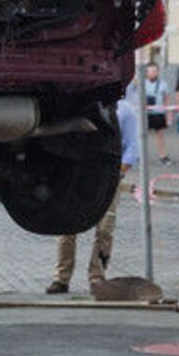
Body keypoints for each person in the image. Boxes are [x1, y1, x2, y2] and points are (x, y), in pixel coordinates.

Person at [47, 93, 138, 294]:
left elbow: (133, 148)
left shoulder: (125, 110)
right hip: (76, 176)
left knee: (105, 229)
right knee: (66, 227)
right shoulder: (79, 107)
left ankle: (97, 276)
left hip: (108, 177)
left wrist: (117, 173)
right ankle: (61, 277)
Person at [143, 62, 170, 164]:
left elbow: (167, 99)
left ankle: (163, 156)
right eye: (150, 71)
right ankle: (139, 155)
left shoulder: (163, 84)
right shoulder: (142, 83)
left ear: (158, 72)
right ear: (146, 73)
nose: (152, 73)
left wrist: (168, 115)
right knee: (141, 135)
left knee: (160, 136)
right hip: (145, 113)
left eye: (154, 71)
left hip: (158, 113)